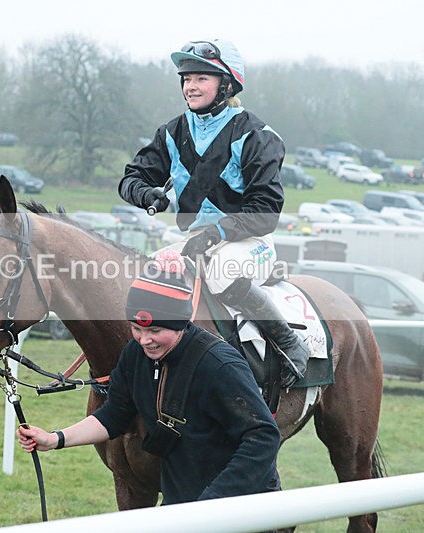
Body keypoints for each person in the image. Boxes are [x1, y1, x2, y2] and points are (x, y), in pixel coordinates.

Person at [117, 39, 309, 388]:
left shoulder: (257, 135)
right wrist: (148, 193)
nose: (191, 86)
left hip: (250, 240)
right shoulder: (172, 132)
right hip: (196, 240)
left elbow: (265, 211)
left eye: (202, 78)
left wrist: (217, 233)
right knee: (143, 278)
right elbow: (131, 178)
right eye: (186, 78)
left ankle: (288, 344)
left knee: (220, 272)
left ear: (227, 84)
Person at [17, 268, 282, 505]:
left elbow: (263, 437)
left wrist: (211, 505)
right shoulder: (135, 353)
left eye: (155, 330)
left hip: (240, 508)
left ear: (180, 323)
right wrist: (54, 439)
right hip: (181, 504)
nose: (145, 340)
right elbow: (114, 414)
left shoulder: (220, 365)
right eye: (136, 329)